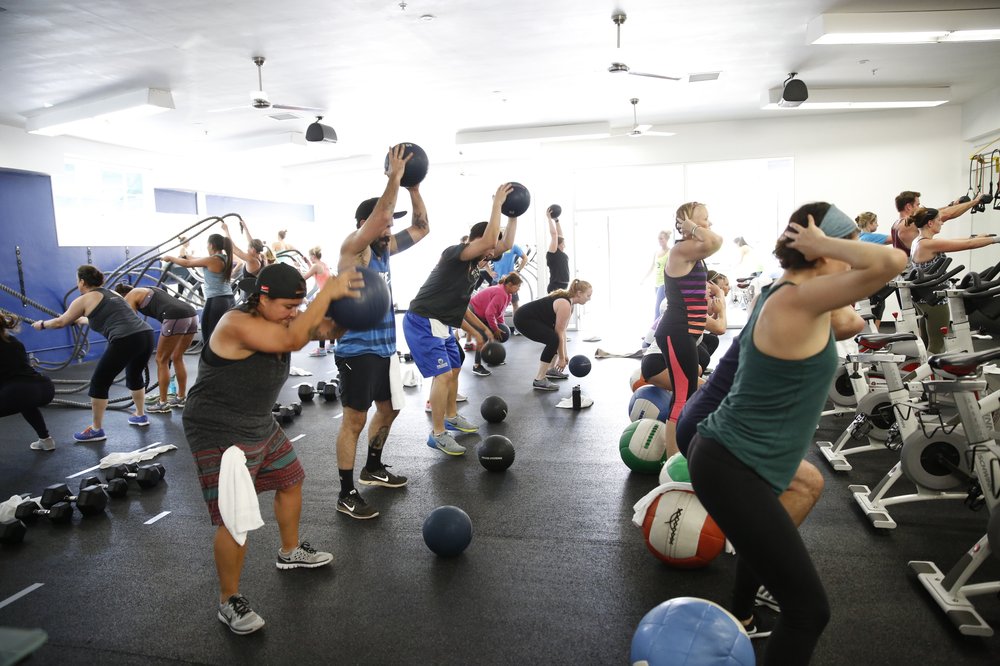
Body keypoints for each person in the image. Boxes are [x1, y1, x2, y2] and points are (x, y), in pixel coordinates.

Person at [687, 202, 905, 665]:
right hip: (732, 465)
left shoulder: (791, 294)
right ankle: (743, 612)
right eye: (843, 248)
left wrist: (827, 250)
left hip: (741, 459)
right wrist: (826, 245)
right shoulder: (796, 298)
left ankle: (741, 613)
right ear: (821, 249)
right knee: (808, 611)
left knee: (773, 531)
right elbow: (892, 260)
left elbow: (853, 315)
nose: (849, 259)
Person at [182, 261, 361, 635]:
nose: (294, 314)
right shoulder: (235, 323)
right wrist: (328, 289)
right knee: (235, 517)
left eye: (298, 307)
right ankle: (229, 599)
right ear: (262, 298)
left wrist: (353, 311)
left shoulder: (282, 321)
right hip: (218, 428)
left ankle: (290, 552)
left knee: (291, 479)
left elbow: (324, 329)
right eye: (287, 307)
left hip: (258, 420)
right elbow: (292, 340)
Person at [334, 145, 430, 518]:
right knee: (354, 421)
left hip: (385, 349)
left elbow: (422, 228)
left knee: (389, 410)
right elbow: (381, 216)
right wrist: (394, 177)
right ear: (367, 223)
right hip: (357, 351)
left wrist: (413, 187)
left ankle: (373, 467)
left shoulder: (384, 250)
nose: (390, 229)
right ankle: (346, 493)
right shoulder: (353, 249)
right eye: (386, 224)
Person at [403, 183, 517, 456]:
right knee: (442, 375)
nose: (491, 254)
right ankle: (437, 434)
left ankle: (451, 416)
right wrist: (497, 204)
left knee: (454, 367)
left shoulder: (474, 268)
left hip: (441, 323)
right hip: (422, 321)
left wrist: (513, 215)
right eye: (488, 248)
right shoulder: (455, 253)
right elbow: (489, 242)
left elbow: (504, 245)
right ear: (476, 241)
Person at [32, 265, 155, 441]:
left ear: (82, 282)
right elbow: (107, 318)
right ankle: (140, 416)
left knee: (99, 383)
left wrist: (42, 324)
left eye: (77, 280)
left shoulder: (83, 299)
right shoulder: (114, 294)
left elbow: (60, 322)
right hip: (146, 335)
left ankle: (96, 429)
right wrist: (80, 320)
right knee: (134, 375)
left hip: (125, 339)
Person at [656, 202, 723, 458]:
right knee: (683, 396)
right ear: (687, 223)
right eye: (704, 219)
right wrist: (692, 227)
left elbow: (712, 240)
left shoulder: (694, 253)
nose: (709, 224)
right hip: (676, 332)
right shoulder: (681, 250)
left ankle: (678, 454)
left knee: (688, 393)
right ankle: (672, 462)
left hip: (684, 333)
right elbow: (717, 241)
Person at [908, 205, 1000, 353]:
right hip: (935, 300)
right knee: (937, 345)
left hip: (924, 300)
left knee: (926, 342)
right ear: (930, 223)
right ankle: (931, 367)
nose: (942, 222)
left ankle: (923, 367)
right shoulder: (928, 244)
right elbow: (968, 245)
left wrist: (979, 237)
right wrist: (995, 240)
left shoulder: (919, 241)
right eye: (939, 220)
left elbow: (956, 240)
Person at [114, 283, 199, 413]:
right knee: (177, 357)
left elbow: (131, 322)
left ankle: (163, 403)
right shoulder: (151, 289)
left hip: (174, 317)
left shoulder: (129, 297)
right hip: (192, 314)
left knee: (161, 360)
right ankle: (181, 397)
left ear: (122, 296)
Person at [513, 279, 593, 391]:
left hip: (533, 319)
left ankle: (550, 370)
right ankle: (539, 379)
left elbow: (563, 331)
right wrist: (561, 357)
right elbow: (559, 332)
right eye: (588, 295)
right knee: (553, 339)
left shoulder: (570, 305)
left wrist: (564, 354)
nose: (589, 299)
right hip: (523, 319)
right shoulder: (565, 304)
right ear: (579, 293)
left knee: (555, 338)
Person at [163, 233, 234, 344]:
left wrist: (170, 258)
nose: (206, 247)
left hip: (217, 300)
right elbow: (194, 259)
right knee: (221, 334)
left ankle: (209, 355)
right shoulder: (225, 258)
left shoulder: (212, 260)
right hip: (228, 299)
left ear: (211, 245)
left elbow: (187, 263)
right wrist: (185, 256)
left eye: (207, 245)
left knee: (209, 334)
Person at [1, 313, 57, 451]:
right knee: (26, 403)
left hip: (20, 391)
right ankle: (46, 440)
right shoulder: (12, 340)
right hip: (45, 387)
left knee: (21, 396)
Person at [889, 190, 984, 256]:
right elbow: (947, 214)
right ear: (908, 207)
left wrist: (952, 205)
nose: (920, 208)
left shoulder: (897, 224)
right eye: (917, 205)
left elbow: (933, 212)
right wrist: (976, 201)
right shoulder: (908, 224)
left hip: (906, 271)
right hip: (913, 274)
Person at [466, 273, 522, 376]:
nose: (518, 289)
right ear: (510, 284)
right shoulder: (501, 293)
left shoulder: (508, 295)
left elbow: (499, 313)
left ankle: (492, 358)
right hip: (473, 312)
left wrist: (501, 327)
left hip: (482, 314)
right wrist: (495, 329)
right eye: (517, 286)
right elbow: (489, 313)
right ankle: (477, 366)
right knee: (482, 337)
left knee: (496, 332)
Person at [301, 246, 333, 357]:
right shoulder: (323, 265)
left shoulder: (316, 266)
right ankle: (332, 345)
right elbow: (315, 272)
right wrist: (307, 262)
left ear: (313, 256)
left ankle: (321, 349)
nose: (310, 258)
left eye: (310, 256)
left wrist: (297, 271)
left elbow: (304, 277)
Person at [222, 219, 269, 295]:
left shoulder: (251, 260)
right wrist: (245, 227)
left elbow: (234, 249)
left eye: (248, 248)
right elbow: (252, 242)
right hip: (261, 289)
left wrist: (226, 230)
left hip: (254, 293)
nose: (247, 249)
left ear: (253, 250)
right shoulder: (261, 256)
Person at [491, 235, 527, 322]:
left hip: (511, 280)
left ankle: (517, 326)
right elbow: (483, 261)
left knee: (515, 303)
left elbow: (525, 258)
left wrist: (518, 271)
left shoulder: (514, 246)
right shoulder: (494, 247)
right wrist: (490, 272)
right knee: (496, 305)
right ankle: (497, 325)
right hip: (497, 280)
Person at [642, 231, 670, 320]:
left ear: (666, 239)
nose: (659, 240)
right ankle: (661, 325)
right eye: (658, 238)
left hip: (664, 283)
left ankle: (655, 328)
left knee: (657, 309)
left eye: (661, 238)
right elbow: (652, 267)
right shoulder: (656, 253)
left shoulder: (670, 252)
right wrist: (643, 278)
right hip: (657, 283)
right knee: (661, 309)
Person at [546, 206, 571, 293]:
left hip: (564, 286)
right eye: (563, 243)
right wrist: (549, 219)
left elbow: (560, 235)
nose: (564, 245)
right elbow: (554, 234)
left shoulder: (560, 252)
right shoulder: (553, 252)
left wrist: (556, 221)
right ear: (558, 244)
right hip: (555, 286)